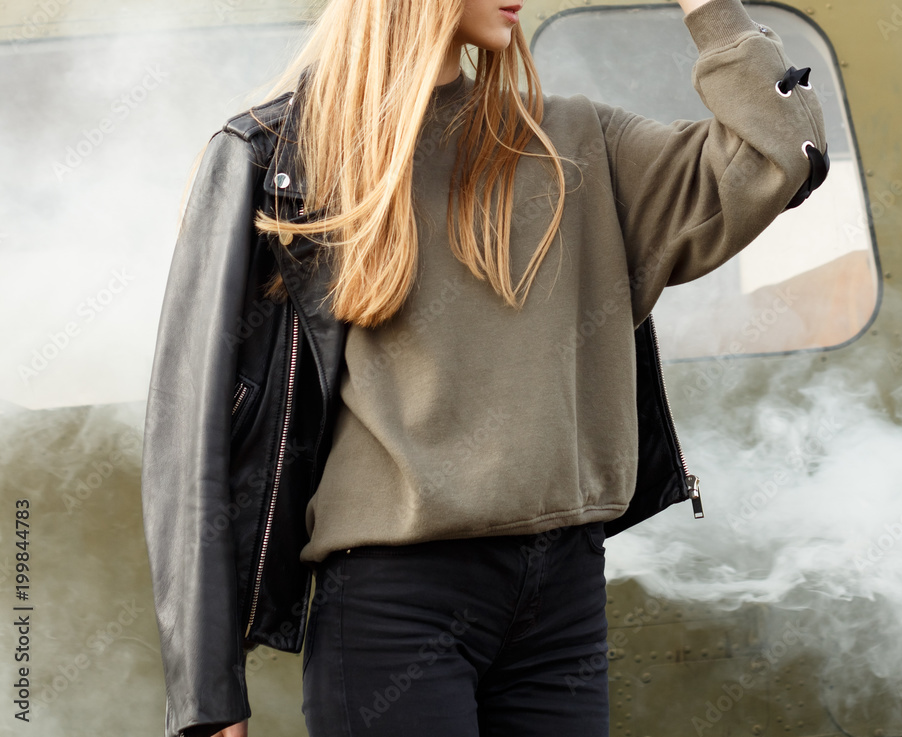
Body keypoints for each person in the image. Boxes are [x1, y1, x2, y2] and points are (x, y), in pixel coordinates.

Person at [140, 0, 827, 735]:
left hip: (562, 599)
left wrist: (709, 9)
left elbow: (782, 154)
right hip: (395, 609)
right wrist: (209, 700)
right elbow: (192, 435)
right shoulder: (279, 160)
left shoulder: (577, 139)